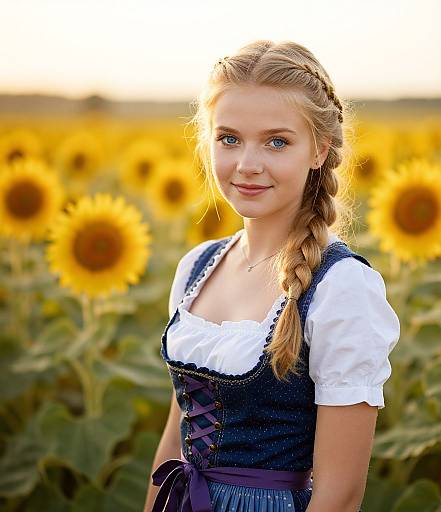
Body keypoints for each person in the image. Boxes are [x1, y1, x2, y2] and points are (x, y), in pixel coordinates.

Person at [144, 39, 400, 512]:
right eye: (229, 138)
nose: (247, 164)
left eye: (277, 141)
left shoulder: (341, 288)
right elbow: (172, 445)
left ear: (319, 150)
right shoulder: (196, 269)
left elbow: (339, 497)